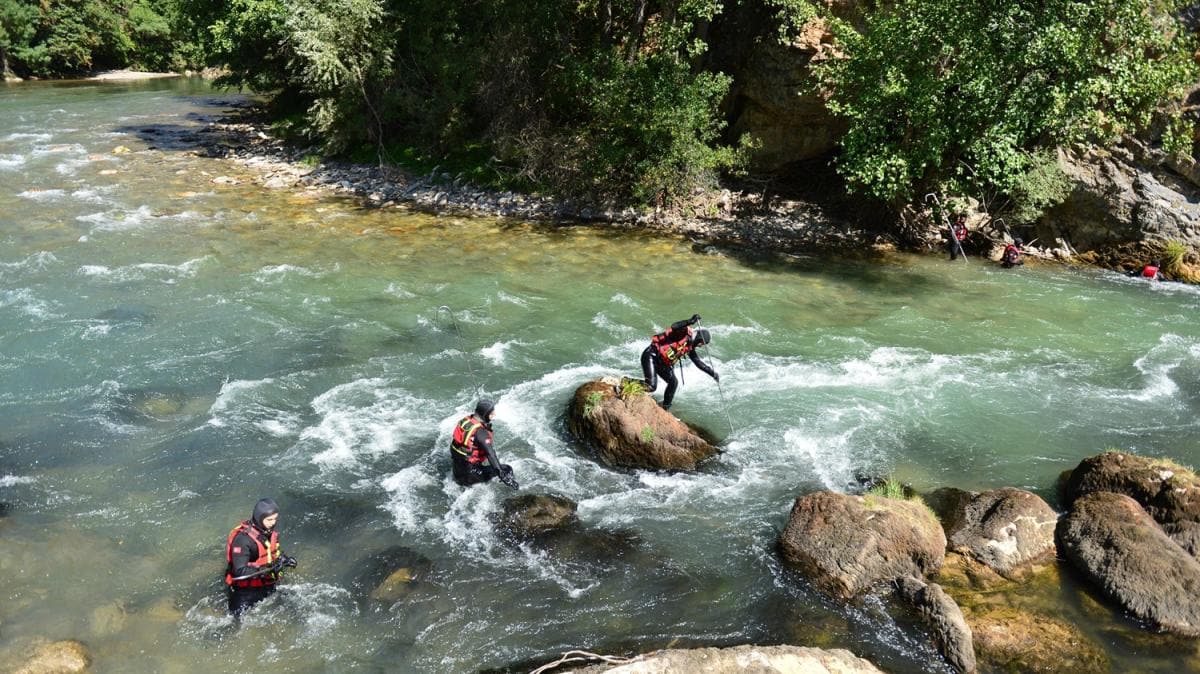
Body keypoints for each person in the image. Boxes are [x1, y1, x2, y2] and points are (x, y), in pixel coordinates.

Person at [224, 498, 297, 617]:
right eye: (269, 519)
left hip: (268, 582)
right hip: (246, 591)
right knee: (235, 620)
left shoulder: (268, 532)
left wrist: (285, 560)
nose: (273, 523)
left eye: (275, 519)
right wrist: (268, 569)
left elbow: (273, 553)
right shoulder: (243, 540)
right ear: (259, 518)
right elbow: (239, 571)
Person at [640, 314, 719, 411]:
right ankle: (624, 382)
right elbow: (674, 326)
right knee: (651, 386)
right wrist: (690, 321)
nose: (700, 346)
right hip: (651, 355)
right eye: (702, 343)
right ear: (700, 339)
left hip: (662, 363)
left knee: (673, 382)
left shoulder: (689, 347)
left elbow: (699, 363)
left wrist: (713, 373)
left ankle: (665, 408)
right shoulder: (682, 334)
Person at [450, 399, 518, 489]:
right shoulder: (481, 432)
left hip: (457, 472)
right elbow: (490, 454)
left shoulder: (466, 421)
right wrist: (503, 476)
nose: (494, 415)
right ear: (485, 414)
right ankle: (512, 490)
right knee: (507, 469)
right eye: (491, 413)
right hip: (469, 476)